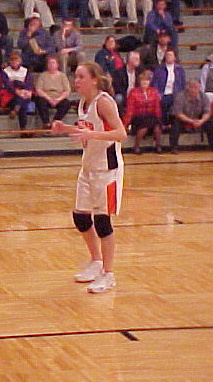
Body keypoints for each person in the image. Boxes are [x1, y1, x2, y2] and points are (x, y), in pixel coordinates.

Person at [51, 62, 127, 293]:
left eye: (81, 76)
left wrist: (91, 134)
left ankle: (109, 274)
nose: (76, 80)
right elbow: (86, 131)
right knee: (81, 217)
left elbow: (121, 133)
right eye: (75, 76)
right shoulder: (83, 103)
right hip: (89, 167)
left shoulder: (103, 101)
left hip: (108, 169)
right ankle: (96, 261)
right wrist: (65, 128)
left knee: (102, 222)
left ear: (94, 79)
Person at [122, 71, 162, 154]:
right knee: (144, 127)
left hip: (151, 116)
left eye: (147, 80)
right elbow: (130, 109)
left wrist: (159, 118)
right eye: (143, 80)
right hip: (138, 116)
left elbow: (157, 107)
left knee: (157, 127)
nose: (145, 82)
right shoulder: (133, 92)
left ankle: (158, 146)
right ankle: (136, 146)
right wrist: (126, 124)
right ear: (139, 82)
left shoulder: (154, 91)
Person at [169, 79, 213, 154]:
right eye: (192, 87)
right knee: (175, 122)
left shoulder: (204, 96)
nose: (194, 89)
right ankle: (174, 147)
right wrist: (191, 121)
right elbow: (178, 113)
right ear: (188, 87)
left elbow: (207, 112)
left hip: (198, 118)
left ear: (199, 87)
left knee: (210, 122)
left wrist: (201, 121)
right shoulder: (180, 96)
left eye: (196, 87)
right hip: (183, 119)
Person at [152, 49, 186, 126]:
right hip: (162, 94)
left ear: (175, 57)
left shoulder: (180, 69)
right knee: (163, 104)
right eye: (167, 55)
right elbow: (155, 82)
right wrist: (157, 94)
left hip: (176, 94)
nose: (168, 57)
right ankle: (163, 125)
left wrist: (181, 95)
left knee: (176, 104)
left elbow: (182, 84)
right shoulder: (159, 69)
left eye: (170, 55)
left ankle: (173, 125)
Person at [35, 55, 71, 129]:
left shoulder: (62, 76)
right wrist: (49, 99)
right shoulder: (43, 75)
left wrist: (58, 99)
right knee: (40, 101)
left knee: (66, 103)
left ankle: (55, 122)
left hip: (58, 97)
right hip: (46, 96)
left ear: (57, 65)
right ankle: (46, 123)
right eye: (49, 63)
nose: (51, 65)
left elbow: (67, 90)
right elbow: (39, 90)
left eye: (53, 63)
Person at [2, 53, 34, 131]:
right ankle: (23, 128)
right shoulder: (5, 71)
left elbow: (29, 83)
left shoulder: (25, 70)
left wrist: (25, 91)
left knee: (22, 99)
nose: (14, 62)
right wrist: (16, 91)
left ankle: (16, 109)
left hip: (23, 91)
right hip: (11, 94)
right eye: (12, 60)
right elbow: (7, 85)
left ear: (20, 61)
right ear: (10, 61)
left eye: (16, 60)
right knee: (22, 104)